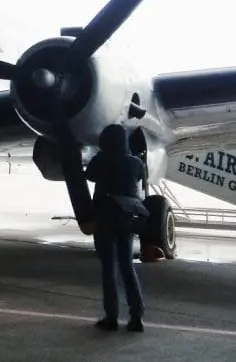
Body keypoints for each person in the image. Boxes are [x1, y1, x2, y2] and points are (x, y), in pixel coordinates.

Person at [85, 123, 148, 332]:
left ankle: (111, 317)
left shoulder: (100, 160)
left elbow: (89, 175)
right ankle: (136, 316)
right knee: (127, 266)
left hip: (105, 217)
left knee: (109, 269)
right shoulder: (135, 162)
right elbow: (139, 178)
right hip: (128, 218)